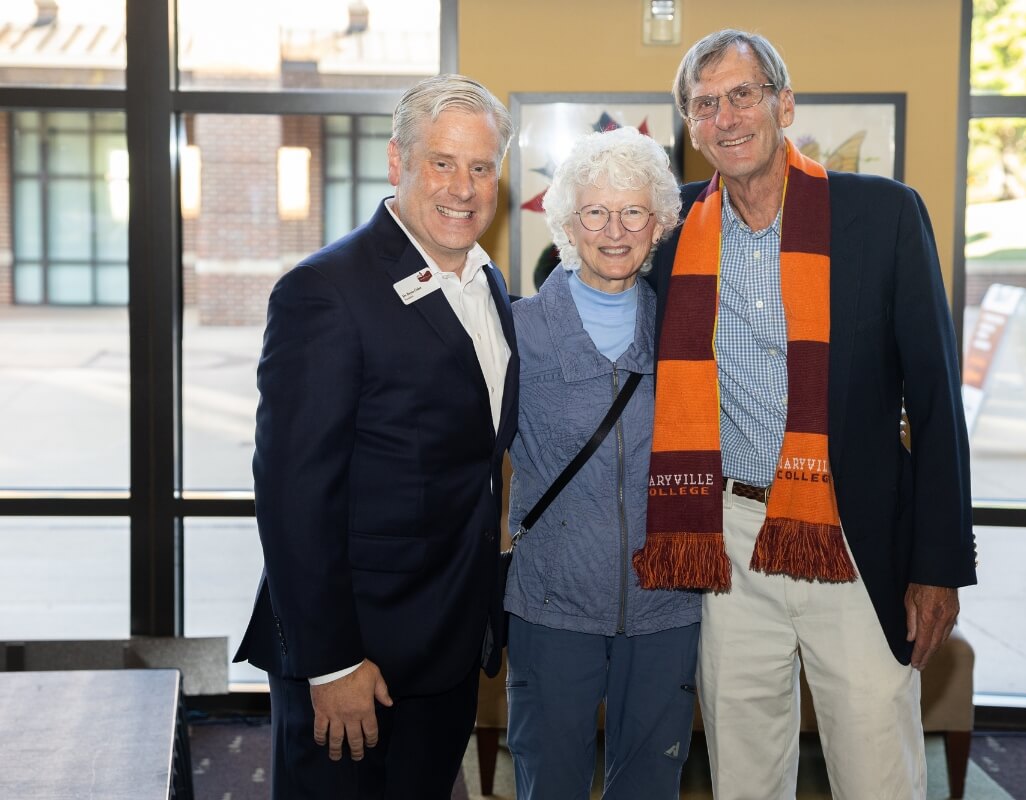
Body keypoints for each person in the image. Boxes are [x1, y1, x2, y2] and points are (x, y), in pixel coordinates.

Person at [632, 30, 976, 799]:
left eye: (742, 95)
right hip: (726, 541)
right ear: (691, 128)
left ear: (783, 104)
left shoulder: (882, 215)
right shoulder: (670, 232)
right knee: (742, 772)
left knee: (877, 771)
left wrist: (939, 566)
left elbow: (934, 400)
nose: (725, 118)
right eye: (705, 105)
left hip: (851, 531)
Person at [233, 74, 518, 800]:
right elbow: (293, 494)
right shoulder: (325, 291)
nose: (463, 188)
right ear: (398, 162)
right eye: (442, 163)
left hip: (448, 648)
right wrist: (331, 663)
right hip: (355, 659)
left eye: (481, 167)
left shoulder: (488, 285)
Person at [503, 126, 698, 800]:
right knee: (550, 783)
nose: (615, 231)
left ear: (659, 224)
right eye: (595, 212)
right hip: (550, 605)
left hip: (667, 604)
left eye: (633, 211)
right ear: (567, 223)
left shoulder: (685, 332)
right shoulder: (517, 334)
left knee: (651, 785)